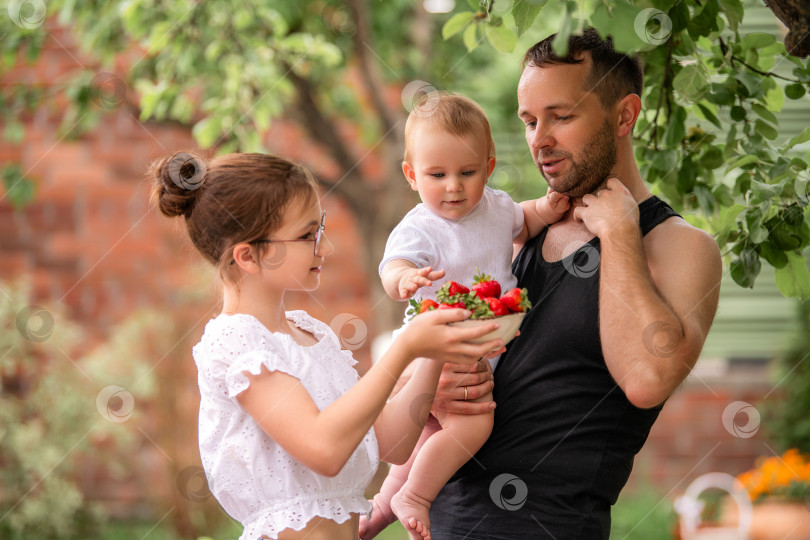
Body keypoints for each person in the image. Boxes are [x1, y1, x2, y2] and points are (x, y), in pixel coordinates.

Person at [423, 29, 723, 539]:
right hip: (443, 523)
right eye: (530, 121)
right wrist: (438, 387)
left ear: (624, 115)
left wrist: (621, 232)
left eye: (561, 117)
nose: (540, 139)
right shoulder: (518, 233)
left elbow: (648, 380)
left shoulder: (677, 245)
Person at [149, 151, 507, 540]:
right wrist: (405, 349)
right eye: (306, 236)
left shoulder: (312, 334)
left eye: (318, 229)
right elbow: (324, 449)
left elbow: (392, 442)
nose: (324, 247)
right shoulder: (236, 343)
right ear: (248, 256)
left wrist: (433, 350)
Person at [362, 93, 569, 540]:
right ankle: (414, 496)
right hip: (437, 344)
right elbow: (392, 266)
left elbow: (524, 221)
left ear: (489, 167)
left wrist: (548, 209)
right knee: (473, 421)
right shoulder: (420, 227)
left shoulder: (495, 207)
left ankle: (380, 509)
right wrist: (404, 280)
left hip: (479, 340)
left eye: (467, 172)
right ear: (412, 175)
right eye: (437, 175)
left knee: (428, 435)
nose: (453, 186)